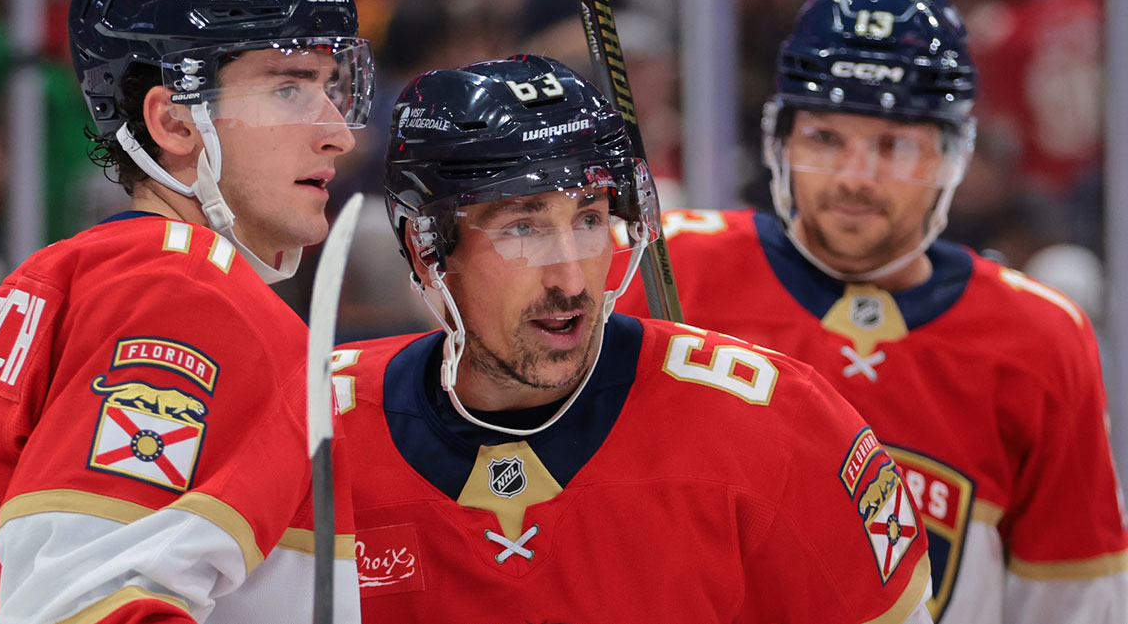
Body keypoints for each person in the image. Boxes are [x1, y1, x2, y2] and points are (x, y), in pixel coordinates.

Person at [333, 54, 933, 623]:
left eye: (590, 219)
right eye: (523, 228)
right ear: (426, 248)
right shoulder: (315, 425)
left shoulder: (776, 424)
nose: (571, 278)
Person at [612, 0, 1128, 624]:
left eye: (893, 145)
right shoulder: (662, 273)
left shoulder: (1041, 338)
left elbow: (1071, 605)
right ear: (781, 141)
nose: (856, 177)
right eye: (826, 139)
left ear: (952, 155)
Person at [0, 0, 374, 621]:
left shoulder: (81, 270)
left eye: (332, 88)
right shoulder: (187, 292)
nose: (337, 134)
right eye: (289, 88)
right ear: (174, 122)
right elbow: (86, 608)